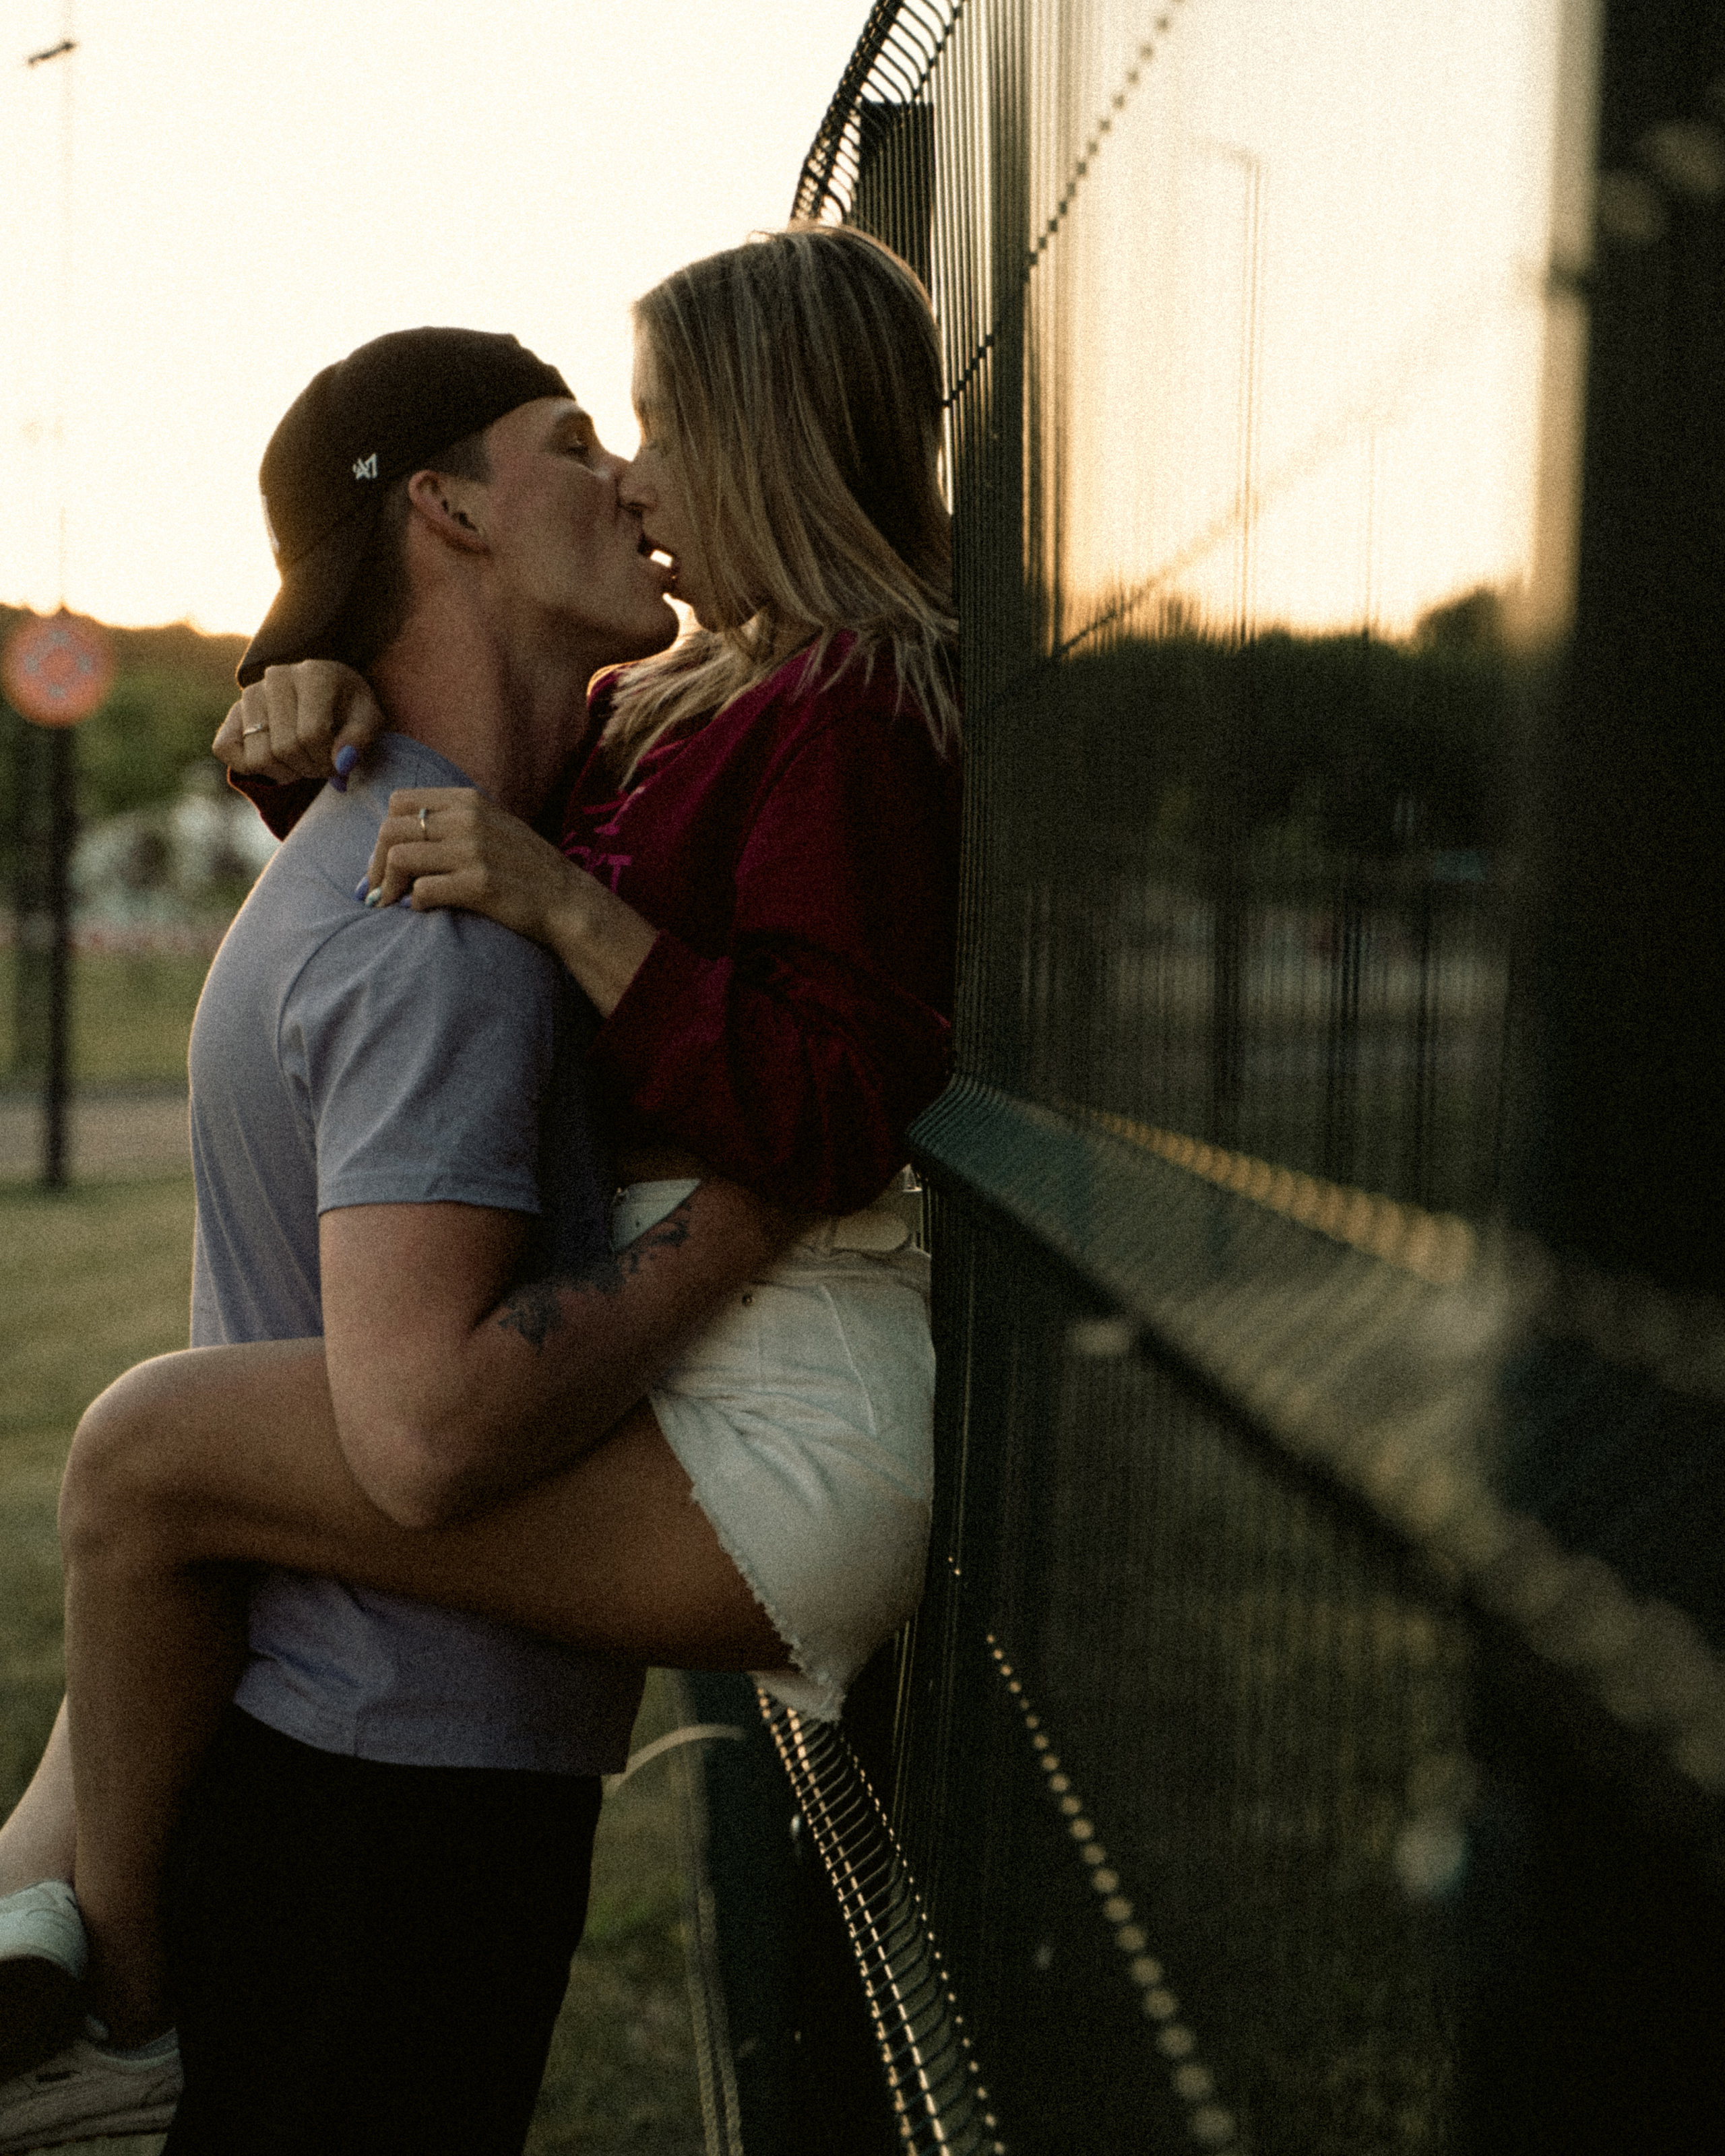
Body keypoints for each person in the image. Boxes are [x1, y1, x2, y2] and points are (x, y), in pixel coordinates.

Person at [0, 224, 958, 2151]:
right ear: (442, 511)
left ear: (764, 440)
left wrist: (560, 910)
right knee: (173, 1484)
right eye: (596, 440)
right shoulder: (680, 710)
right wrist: (316, 717)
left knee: (151, 1456)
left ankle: (105, 1992)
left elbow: (815, 1078)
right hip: (690, 1414)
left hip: (777, 1445)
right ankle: (48, 1930)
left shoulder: (851, 706)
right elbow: (458, 855)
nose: (635, 480)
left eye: (656, 429)